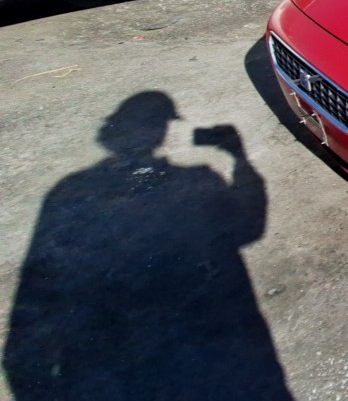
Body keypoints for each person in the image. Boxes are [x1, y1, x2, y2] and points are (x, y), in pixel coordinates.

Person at [4, 92, 292, 400]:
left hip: (113, 359)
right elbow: (250, 228)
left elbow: (36, 302)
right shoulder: (197, 181)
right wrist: (240, 159)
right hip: (203, 346)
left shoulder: (68, 192)